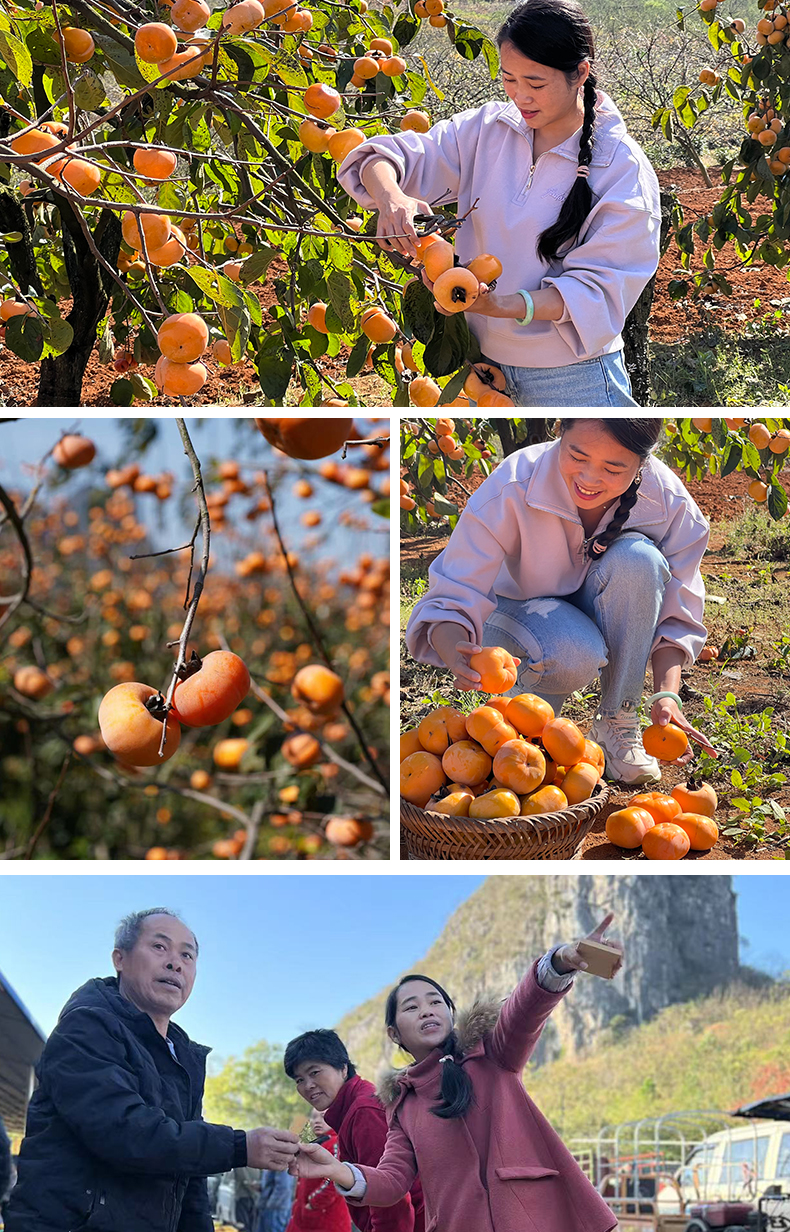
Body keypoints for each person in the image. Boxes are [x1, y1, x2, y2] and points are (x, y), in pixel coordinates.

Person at [338, 0, 661, 408]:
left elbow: (598, 292)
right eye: (509, 79)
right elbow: (383, 158)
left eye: (536, 83)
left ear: (580, 73)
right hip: (485, 371)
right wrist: (391, 197)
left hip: (574, 378)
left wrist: (499, 305)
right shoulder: (487, 130)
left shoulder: (620, 168)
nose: (521, 96)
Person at [405, 418, 716, 785]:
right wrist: (456, 652)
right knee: (572, 652)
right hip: (511, 613)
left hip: (588, 608)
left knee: (639, 560)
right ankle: (522, 716)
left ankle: (618, 718)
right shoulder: (514, 484)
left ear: (641, 465)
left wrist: (666, 695)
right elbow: (455, 589)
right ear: (558, 431)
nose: (589, 478)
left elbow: (678, 613)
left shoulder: (668, 503)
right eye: (577, 455)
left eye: (613, 468)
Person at [296, 914, 623, 1232]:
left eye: (435, 1002)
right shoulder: (403, 1105)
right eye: (411, 1007)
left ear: (451, 1014)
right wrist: (339, 1171)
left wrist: (561, 962)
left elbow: (524, 1010)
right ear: (395, 1034)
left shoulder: (493, 1054)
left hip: (533, 1218)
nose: (426, 1009)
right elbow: (393, 1181)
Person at [5, 908, 300, 1232]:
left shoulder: (183, 1058)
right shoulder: (85, 1028)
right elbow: (127, 1133)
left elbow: (189, 1182)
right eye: (160, 947)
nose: (175, 963)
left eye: (187, 955)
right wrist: (240, 1146)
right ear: (120, 959)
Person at [284, 1029, 424, 1232]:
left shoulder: (363, 1110)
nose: (308, 1085)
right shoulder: (351, 1107)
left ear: (342, 1068)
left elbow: (390, 1197)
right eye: (299, 1080)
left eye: (314, 1072)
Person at [286, 1108, 351, 1232]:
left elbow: (332, 1180)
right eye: (314, 1117)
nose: (317, 1121)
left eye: (322, 1116)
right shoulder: (319, 1143)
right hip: (308, 1219)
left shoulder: (335, 1142)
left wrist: (313, 1203)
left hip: (324, 1219)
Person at [258, 1166, 295, 1232]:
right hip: (271, 1206)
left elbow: (283, 1187)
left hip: (276, 1208)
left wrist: (270, 1205)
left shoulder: (282, 1162)